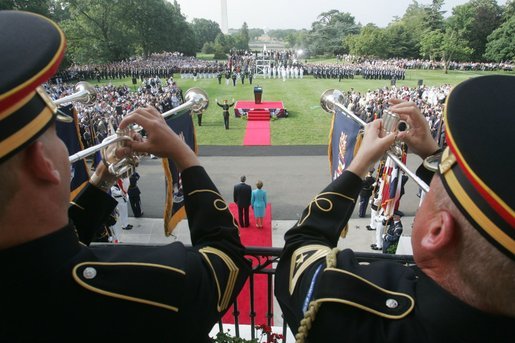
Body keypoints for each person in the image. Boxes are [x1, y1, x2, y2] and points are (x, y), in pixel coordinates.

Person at [0, 11, 250, 341]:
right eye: (55, 136)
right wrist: (182, 153)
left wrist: (102, 178)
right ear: (43, 161)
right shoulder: (143, 284)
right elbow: (228, 259)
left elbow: (51, 243)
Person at [275, 75, 515, 342]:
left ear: (436, 233)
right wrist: (432, 154)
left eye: (435, 189)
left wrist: (360, 163)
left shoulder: (357, 315)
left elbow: (300, 246)